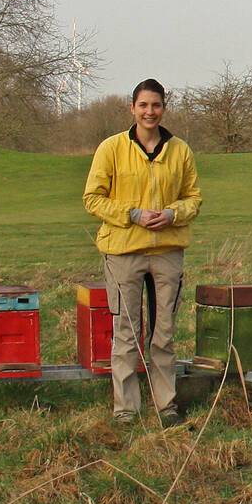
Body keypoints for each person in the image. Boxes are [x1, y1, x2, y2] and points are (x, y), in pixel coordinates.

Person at [83, 79, 201, 425]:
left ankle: (167, 405)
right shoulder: (111, 148)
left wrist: (171, 214)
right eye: (144, 105)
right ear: (132, 108)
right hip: (124, 251)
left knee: (163, 332)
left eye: (156, 105)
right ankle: (126, 409)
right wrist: (132, 214)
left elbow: (194, 198)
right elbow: (93, 198)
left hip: (167, 251)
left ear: (164, 108)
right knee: (126, 331)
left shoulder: (180, 150)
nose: (150, 112)